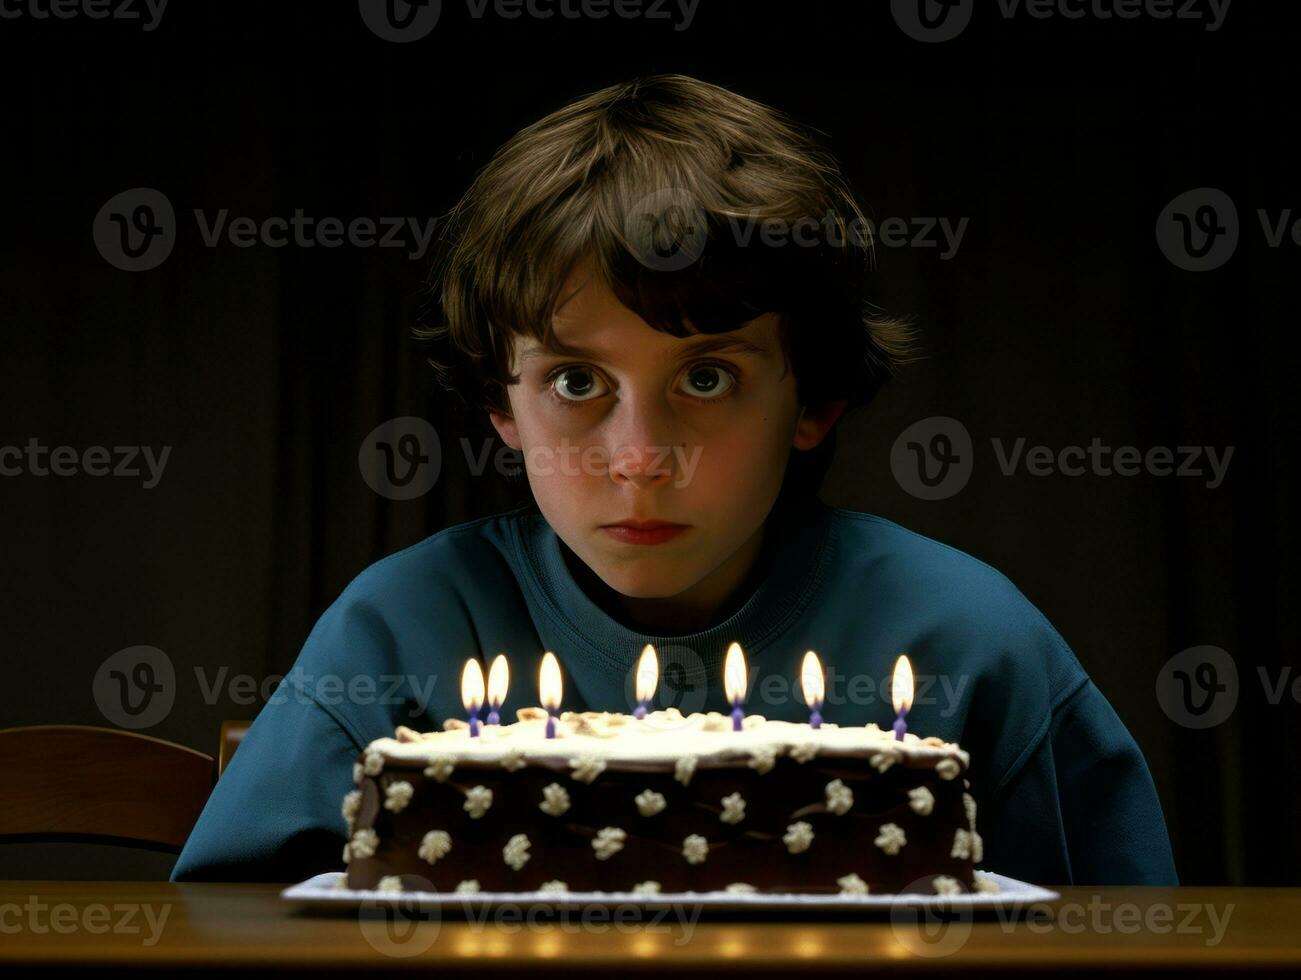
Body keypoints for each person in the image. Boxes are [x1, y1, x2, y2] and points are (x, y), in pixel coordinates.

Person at [171, 75, 1177, 886]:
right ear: (497, 403)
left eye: (705, 377)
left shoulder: (970, 639)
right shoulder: (398, 630)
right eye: (574, 379)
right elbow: (228, 933)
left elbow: (1124, 942)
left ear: (814, 398)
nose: (640, 453)